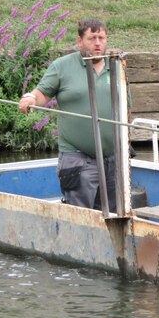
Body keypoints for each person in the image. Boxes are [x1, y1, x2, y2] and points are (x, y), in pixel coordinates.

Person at [18, 19, 117, 212]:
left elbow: (125, 109)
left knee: (113, 216)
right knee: (81, 216)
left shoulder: (116, 68)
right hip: (78, 158)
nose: (97, 43)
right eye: (92, 38)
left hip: (112, 160)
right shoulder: (62, 66)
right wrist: (30, 98)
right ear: (80, 41)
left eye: (101, 38)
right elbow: (41, 94)